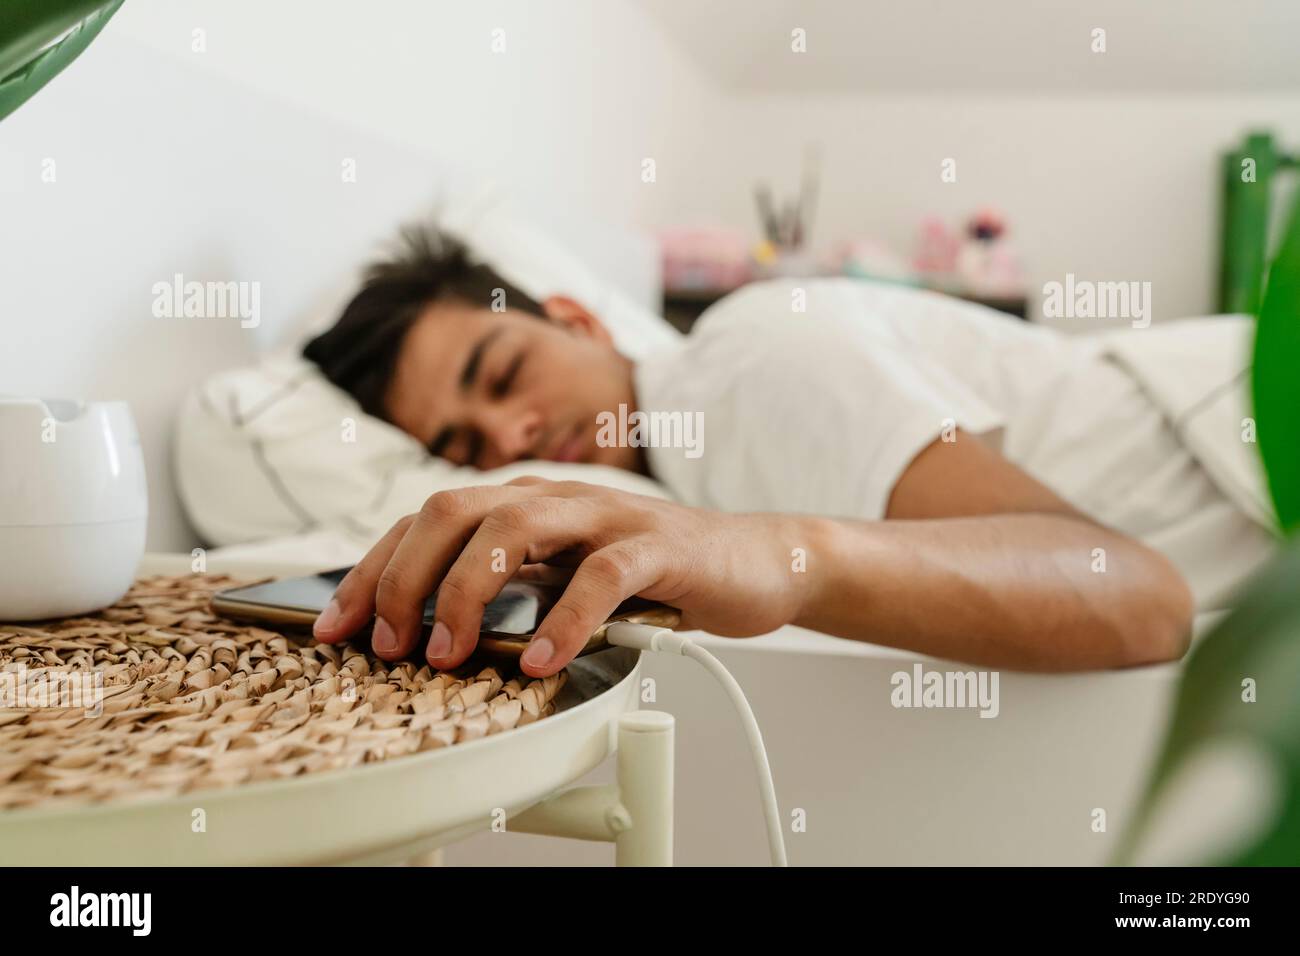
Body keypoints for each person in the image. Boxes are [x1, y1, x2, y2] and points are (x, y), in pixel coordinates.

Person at [302, 227, 1275, 678]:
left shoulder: (745, 354)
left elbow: (1134, 593)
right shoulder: (691, 456)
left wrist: (784, 554)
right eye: (466, 444)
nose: (509, 435)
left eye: (503, 370)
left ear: (579, 320)